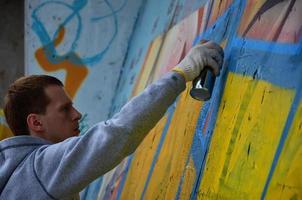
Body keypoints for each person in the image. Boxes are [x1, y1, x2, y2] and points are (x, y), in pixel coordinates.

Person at [0, 41, 223, 199]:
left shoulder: (20, 178)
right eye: (65, 109)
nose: (76, 114)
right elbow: (117, 132)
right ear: (36, 123)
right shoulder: (39, 169)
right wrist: (182, 73)